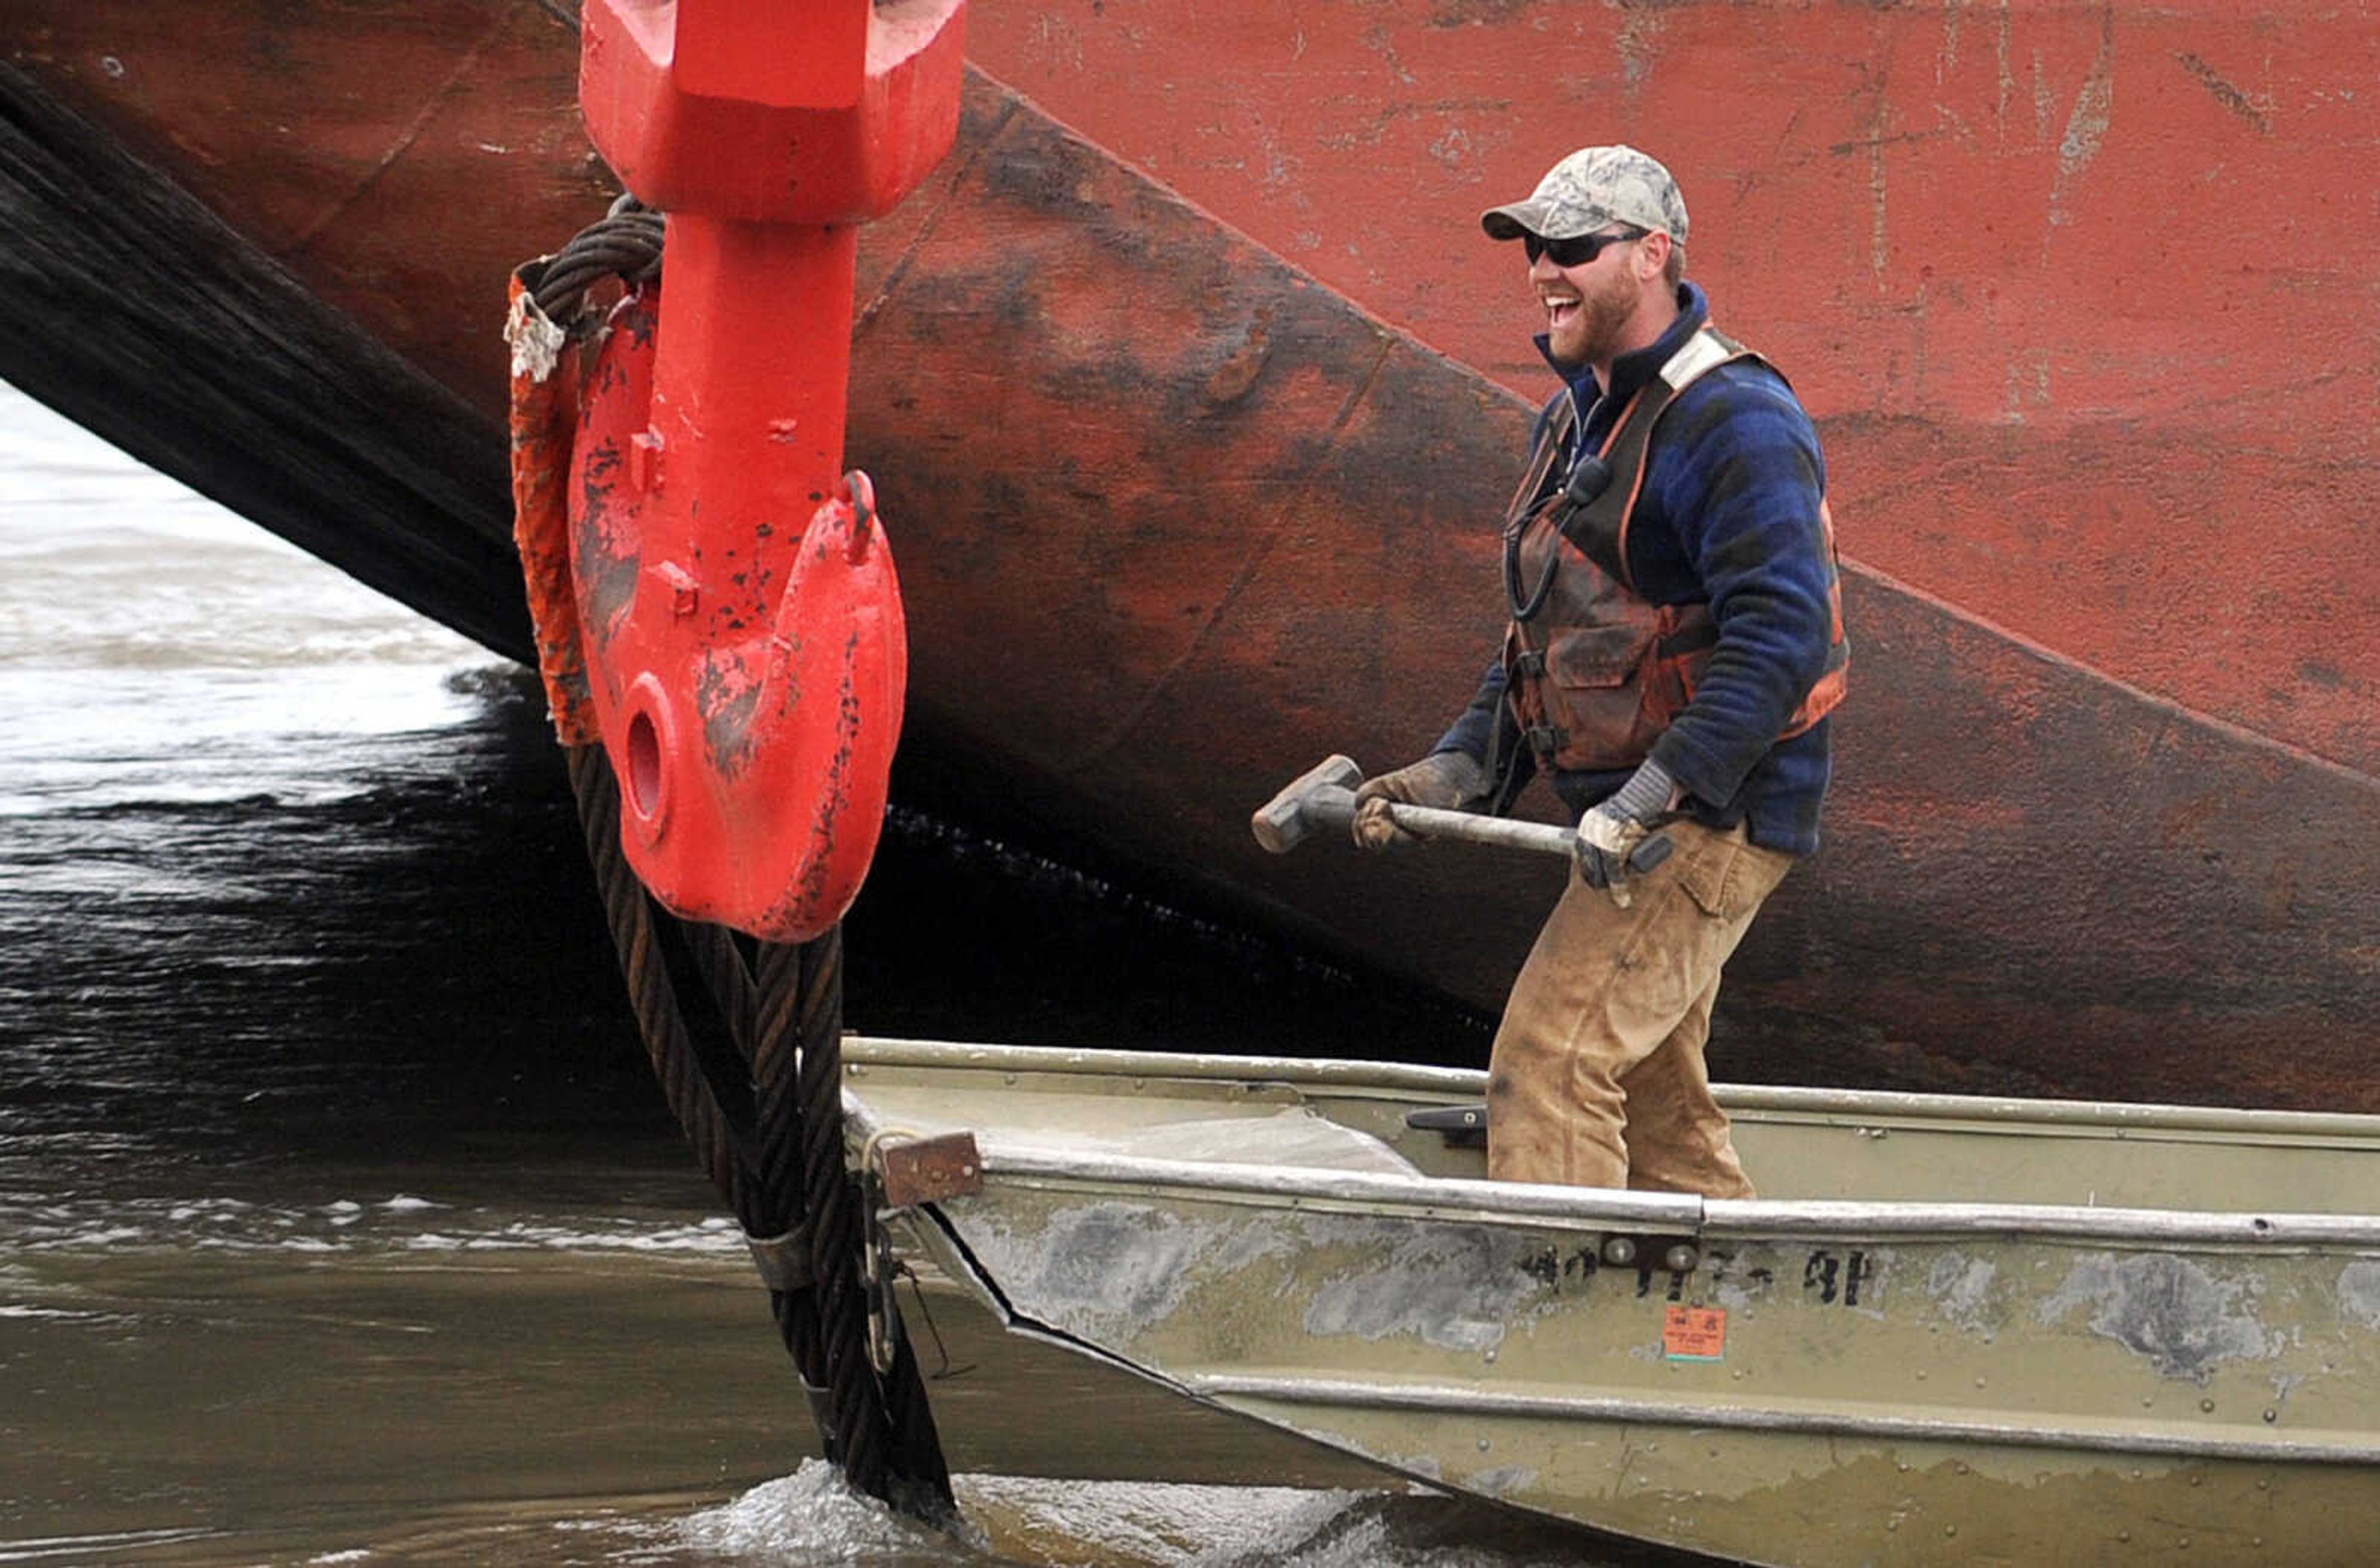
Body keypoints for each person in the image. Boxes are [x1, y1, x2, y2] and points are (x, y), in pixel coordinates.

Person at [1351, 144, 1846, 1198]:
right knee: (1653, 1097)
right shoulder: (1584, 411)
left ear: (1652, 255)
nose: (1542, 270)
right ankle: (1717, 1325)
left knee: (1553, 1061)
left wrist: (1653, 795)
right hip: (1638, 814)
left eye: (1573, 247)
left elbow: (1784, 635)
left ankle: (1560, 1327)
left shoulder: (1736, 419)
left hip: (1710, 817)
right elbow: (1549, 629)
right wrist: (1458, 768)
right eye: (1535, 247)